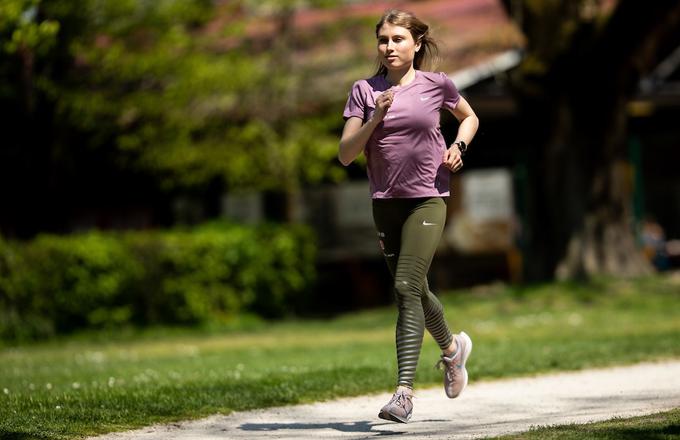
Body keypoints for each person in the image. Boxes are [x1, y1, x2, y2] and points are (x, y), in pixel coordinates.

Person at [338, 9, 479, 423]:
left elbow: (469, 117)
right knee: (416, 290)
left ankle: (403, 393)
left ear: (417, 44)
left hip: (429, 197)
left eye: (398, 39)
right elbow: (346, 154)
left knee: (404, 286)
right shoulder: (364, 91)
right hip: (385, 201)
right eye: (383, 40)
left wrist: (460, 147)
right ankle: (452, 350)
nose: (389, 47)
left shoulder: (438, 85)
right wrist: (375, 116)